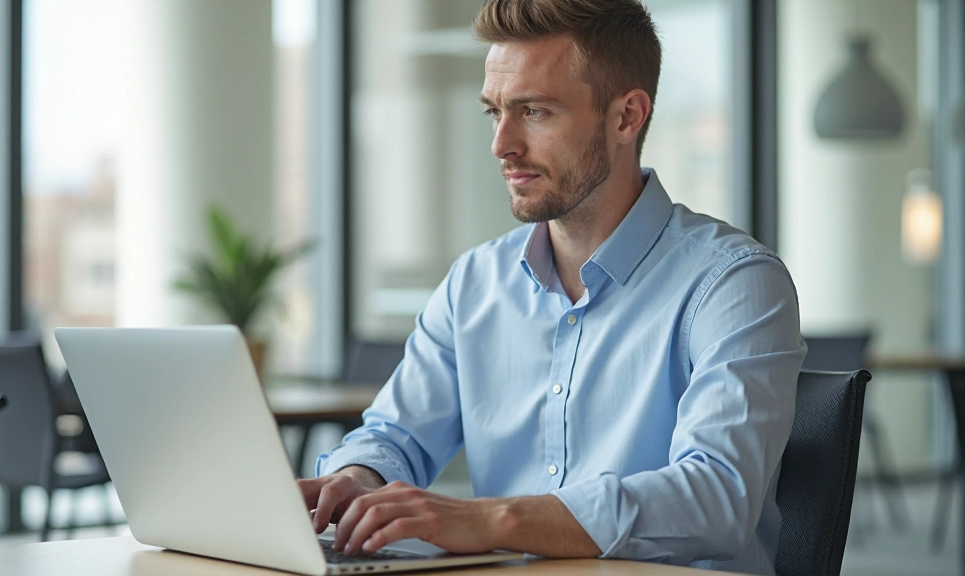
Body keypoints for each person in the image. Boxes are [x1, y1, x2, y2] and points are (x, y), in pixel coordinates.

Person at [298, 0, 805, 574]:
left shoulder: (733, 284)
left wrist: (494, 521)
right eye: (494, 112)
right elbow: (397, 434)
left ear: (626, 117)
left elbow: (717, 497)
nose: (502, 144)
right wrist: (354, 479)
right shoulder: (474, 284)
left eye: (534, 111)